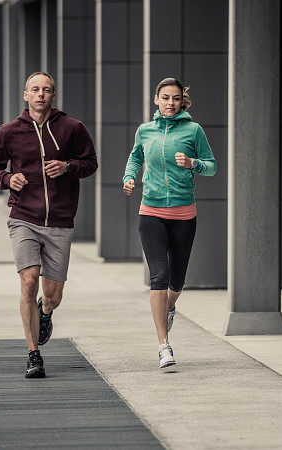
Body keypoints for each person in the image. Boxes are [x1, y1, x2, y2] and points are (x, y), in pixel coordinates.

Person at [0, 72, 97, 378]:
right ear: (26, 95)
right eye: (35, 89)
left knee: (53, 295)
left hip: (60, 220)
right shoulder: (9, 132)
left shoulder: (72, 128)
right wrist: (7, 179)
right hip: (24, 218)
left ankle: (45, 312)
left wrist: (68, 166)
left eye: (47, 90)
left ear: (53, 96)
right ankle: (33, 354)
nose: (41, 94)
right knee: (28, 281)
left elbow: (90, 163)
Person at [122, 78, 216, 369]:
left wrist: (192, 163)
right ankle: (164, 345)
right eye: (165, 98)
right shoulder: (145, 131)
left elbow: (211, 166)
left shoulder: (193, 130)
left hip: (183, 215)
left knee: (177, 281)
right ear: (156, 100)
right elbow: (135, 158)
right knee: (158, 277)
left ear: (182, 101)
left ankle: (170, 306)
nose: (170, 103)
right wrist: (129, 177)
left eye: (176, 98)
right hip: (150, 211)